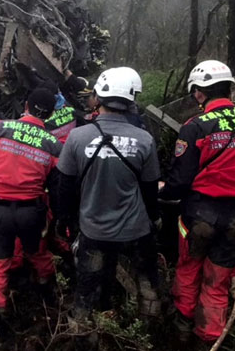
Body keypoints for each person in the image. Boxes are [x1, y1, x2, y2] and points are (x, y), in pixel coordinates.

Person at [56, 68, 162, 331]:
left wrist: (65, 221)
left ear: (98, 97)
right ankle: (149, 331)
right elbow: (150, 190)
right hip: (135, 230)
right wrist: (155, 219)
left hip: (94, 229)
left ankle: (82, 333)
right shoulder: (144, 139)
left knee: (86, 289)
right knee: (146, 280)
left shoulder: (77, 137)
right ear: (131, 101)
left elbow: (64, 188)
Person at [158, 60, 235, 347]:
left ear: (200, 93)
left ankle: (181, 328)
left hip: (200, 213)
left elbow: (180, 180)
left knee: (189, 268)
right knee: (218, 280)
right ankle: (210, 339)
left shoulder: (195, 127)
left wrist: (162, 193)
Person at [0, 88, 62, 316]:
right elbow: (58, 188)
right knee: (38, 253)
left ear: (26, 106)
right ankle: (48, 297)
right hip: (32, 212)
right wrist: (58, 217)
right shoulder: (54, 144)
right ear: (49, 115)